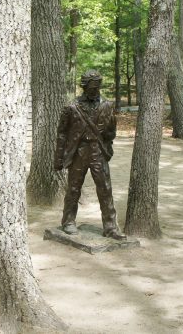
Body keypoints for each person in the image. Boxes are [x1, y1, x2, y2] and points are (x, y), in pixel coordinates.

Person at [54, 69, 126, 240]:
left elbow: (112, 131)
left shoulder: (107, 106)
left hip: (98, 152)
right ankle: (68, 221)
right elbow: (62, 134)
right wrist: (58, 158)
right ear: (84, 87)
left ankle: (110, 227)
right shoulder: (71, 108)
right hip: (78, 152)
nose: (96, 91)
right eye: (92, 87)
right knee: (73, 187)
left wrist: (106, 139)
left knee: (105, 189)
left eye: (98, 87)